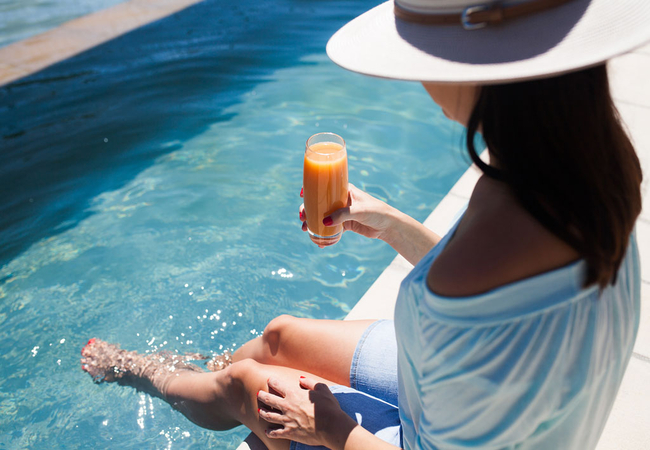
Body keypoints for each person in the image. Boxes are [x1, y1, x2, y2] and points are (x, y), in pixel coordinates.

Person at [81, 0, 650, 448]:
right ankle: (202, 375)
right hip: (508, 386)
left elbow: (475, 294)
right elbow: (502, 297)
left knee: (246, 390)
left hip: (460, 415)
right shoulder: (596, 171)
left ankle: (147, 373)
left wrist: (328, 427)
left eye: (429, 55)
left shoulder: (471, 271)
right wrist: (392, 224)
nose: (419, 78)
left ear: (480, 71)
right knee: (281, 336)